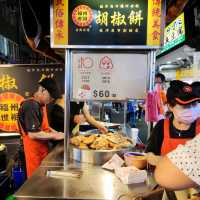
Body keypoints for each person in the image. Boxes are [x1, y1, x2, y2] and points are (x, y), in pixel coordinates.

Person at [18, 77, 64, 177]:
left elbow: (44, 127)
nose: (52, 100)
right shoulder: (30, 106)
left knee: (43, 178)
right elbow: (33, 134)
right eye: (51, 96)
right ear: (43, 90)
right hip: (33, 153)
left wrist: (57, 133)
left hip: (42, 151)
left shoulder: (41, 105)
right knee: (35, 181)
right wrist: (54, 136)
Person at [146, 80, 200, 164]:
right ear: (170, 106)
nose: (191, 110)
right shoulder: (161, 126)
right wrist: (158, 160)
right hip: (164, 175)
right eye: (184, 106)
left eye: (194, 104)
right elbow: (149, 153)